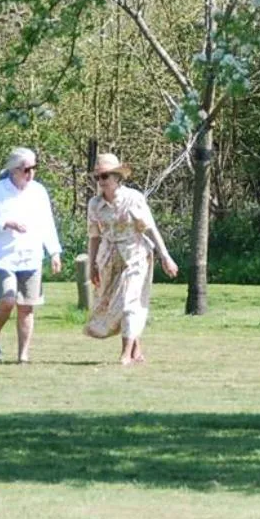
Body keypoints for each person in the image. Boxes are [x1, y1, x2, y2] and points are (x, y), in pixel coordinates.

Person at [83, 152, 178, 365]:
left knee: (129, 301)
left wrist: (165, 256)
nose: (101, 181)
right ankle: (136, 351)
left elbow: (149, 228)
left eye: (105, 176)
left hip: (135, 254)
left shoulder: (133, 198)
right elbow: (94, 236)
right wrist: (92, 266)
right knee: (112, 304)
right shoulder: (94, 204)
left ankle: (125, 353)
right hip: (109, 258)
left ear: (117, 177)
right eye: (97, 177)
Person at [0, 147, 64, 363]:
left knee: (26, 306)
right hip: (3, 256)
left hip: (31, 255)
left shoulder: (39, 192)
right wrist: (6, 223)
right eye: (27, 169)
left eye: (34, 168)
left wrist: (54, 252)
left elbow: (47, 224)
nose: (31, 173)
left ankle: (23, 355)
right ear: (15, 170)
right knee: (8, 299)